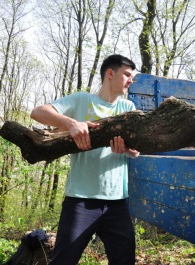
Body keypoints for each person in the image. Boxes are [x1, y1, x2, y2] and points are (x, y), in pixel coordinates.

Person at [30, 54, 140, 265]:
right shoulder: (82, 100)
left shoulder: (128, 108)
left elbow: (136, 153)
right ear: (110, 73)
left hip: (117, 203)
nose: (130, 80)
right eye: (126, 74)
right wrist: (71, 124)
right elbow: (38, 112)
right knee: (63, 261)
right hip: (80, 201)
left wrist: (125, 149)